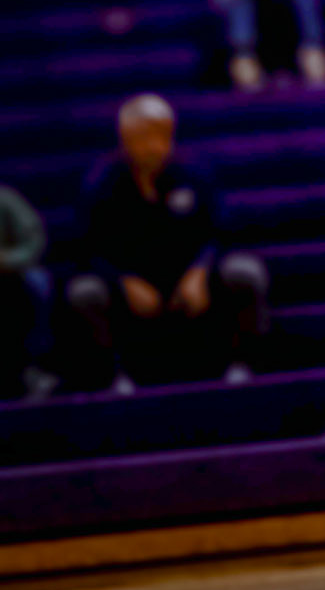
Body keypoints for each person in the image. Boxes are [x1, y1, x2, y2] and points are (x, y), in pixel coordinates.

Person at [68, 94, 268, 390]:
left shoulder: (194, 172)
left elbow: (219, 231)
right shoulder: (102, 182)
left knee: (245, 272)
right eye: (143, 137)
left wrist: (199, 270)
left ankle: (244, 366)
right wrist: (123, 279)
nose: (153, 145)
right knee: (84, 293)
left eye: (161, 135)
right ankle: (110, 380)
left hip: (190, 275)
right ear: (124, 139)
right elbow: (89, 247)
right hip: (129, 281)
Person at [0, 184, 56, 400]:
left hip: (9, 275)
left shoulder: (5, 199)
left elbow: (34, 241)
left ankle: (33, 368)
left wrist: (8, 260)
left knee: (35, 281)